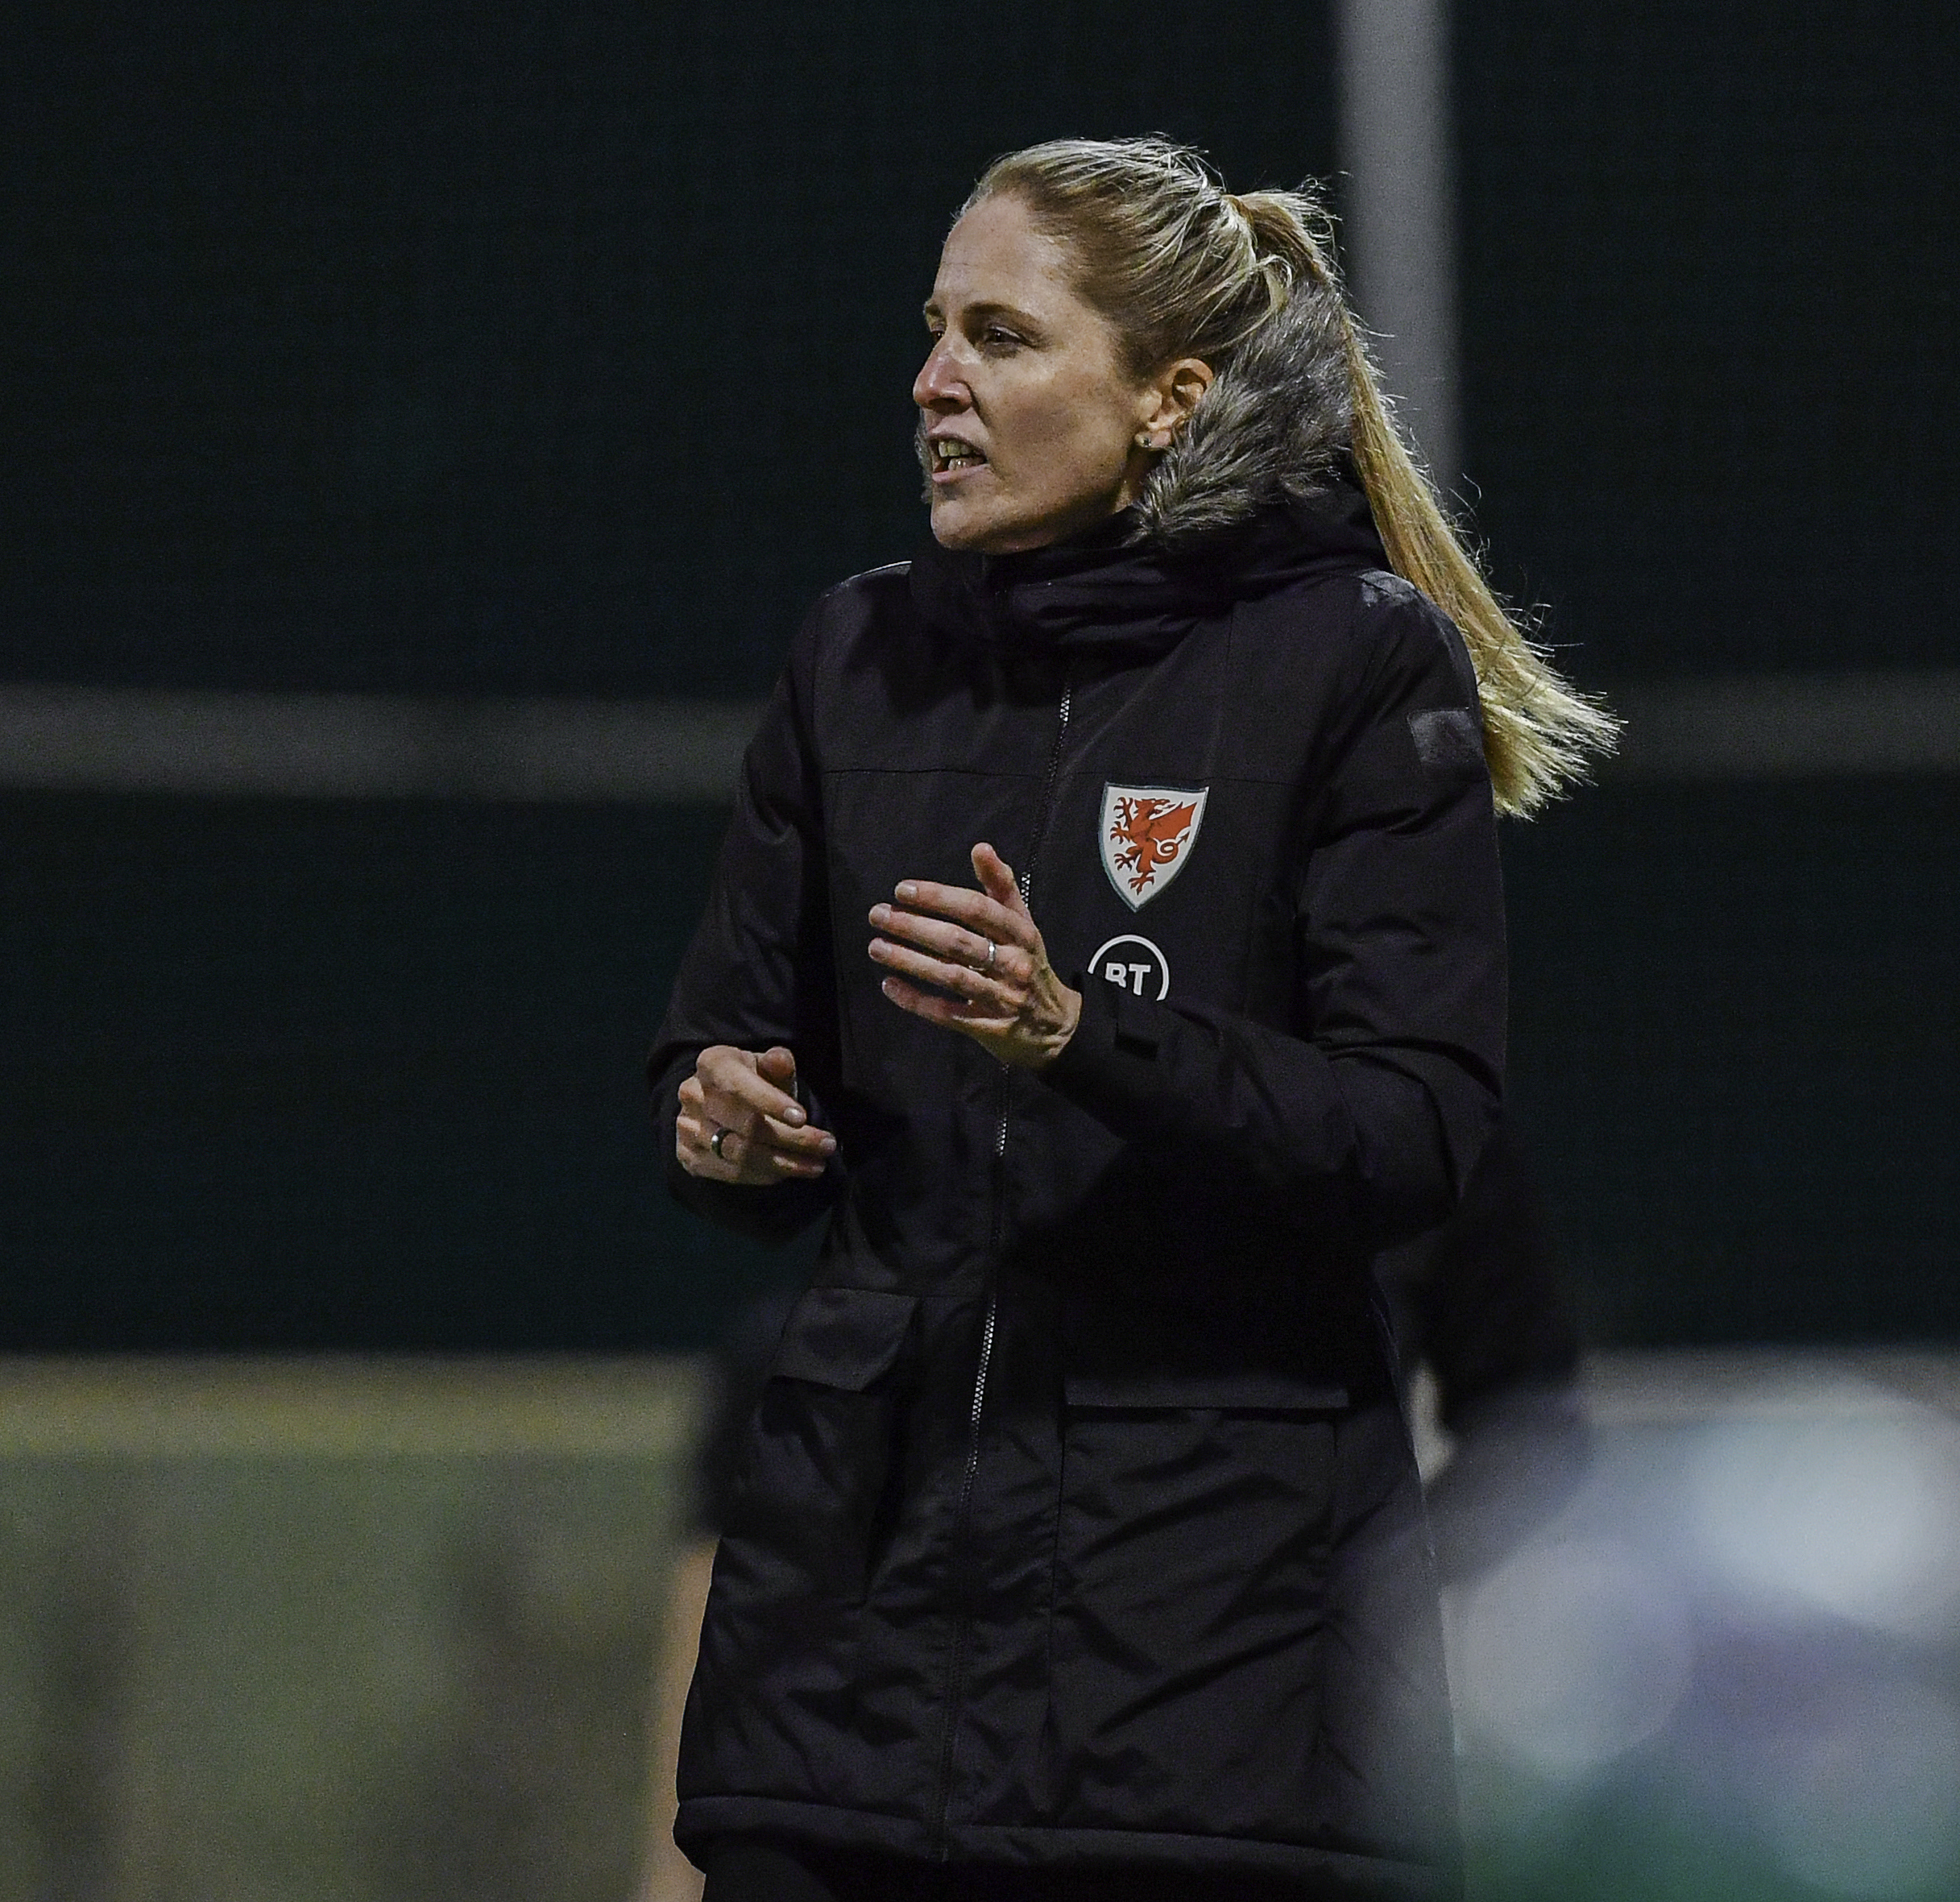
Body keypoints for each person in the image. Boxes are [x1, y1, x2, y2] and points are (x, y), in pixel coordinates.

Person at [644, 137, 1614, 1902]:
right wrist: (722, 1119)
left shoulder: (1352, 660)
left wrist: (1080, 1033)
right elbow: (729, 1054)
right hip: (841, 1665)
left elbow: (1411, 1135)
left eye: (1001, 338)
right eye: (933, 332)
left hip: (1197, 1689)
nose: (934, 380)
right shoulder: (853, 655)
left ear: (1169, 400)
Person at [632, 1119, 1597, 1902]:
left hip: (1275, 1764)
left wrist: (1364, 1590)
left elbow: (1531, 1423)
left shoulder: (1400, 1114)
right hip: (944, 1764)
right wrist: (679, 1862)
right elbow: (741, 1558)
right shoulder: (964, 1121)